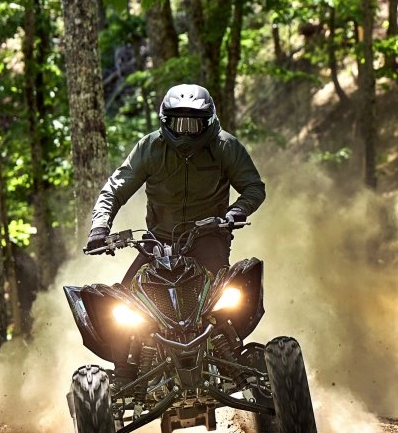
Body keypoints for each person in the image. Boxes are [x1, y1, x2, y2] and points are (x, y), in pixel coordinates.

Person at [85, 83, 265, 283]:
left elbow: (253, 187)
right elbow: (114, 190)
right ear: (165, 122)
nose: (185, 133)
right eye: (178, 124)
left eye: (193, 125)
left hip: (209, 239)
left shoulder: (226, 146)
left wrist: (238, 210)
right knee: (124, 296)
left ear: (208, 122)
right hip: (158, 241)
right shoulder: (149, 147)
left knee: (226, 296)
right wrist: (99, 227)